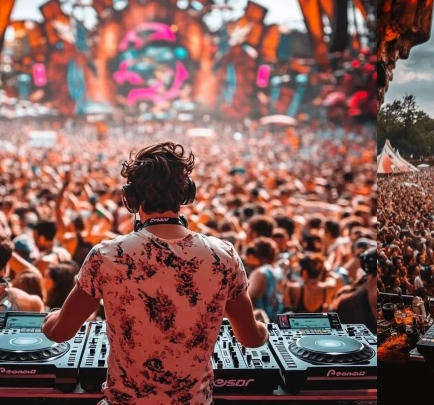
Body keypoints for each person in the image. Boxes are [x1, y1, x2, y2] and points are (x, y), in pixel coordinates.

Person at [41, 142, 267, 405]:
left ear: (131, 198)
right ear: (186, 194)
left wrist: (50, 317)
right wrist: (264, 327)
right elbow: (251, 339)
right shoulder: (223, 255)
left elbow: (58, 333)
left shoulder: (107, 256)